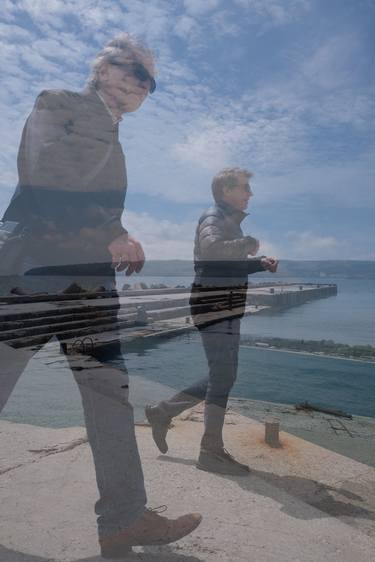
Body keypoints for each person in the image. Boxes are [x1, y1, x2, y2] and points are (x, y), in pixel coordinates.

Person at [0, 34, 201, 558]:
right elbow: (43, 174)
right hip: (34, 278)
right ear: (104, 67)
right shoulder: (59, 103)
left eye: (150, 80)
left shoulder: (113, 137)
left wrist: (110, 234)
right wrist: (112, 227)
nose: (143, 83)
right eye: (135, 69)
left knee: (110, 398)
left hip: (87, 286)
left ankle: (123, 520)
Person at [146, 167, 278, 476]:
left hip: (222, 306)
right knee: (223, 375)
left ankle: (163, 412)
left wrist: (258, 264)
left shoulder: (226, 220)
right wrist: (249, 243)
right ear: (226, 191)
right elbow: (213, 250)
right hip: (216, 306)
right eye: (245, 188)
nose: (250, 194)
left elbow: (224, 265)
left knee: (222, 375)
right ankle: (210, 451)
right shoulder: (214, 217)